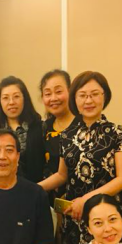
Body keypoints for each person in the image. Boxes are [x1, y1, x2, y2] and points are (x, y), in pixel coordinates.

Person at [39, 71, 122, 244]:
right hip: (75, 219)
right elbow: (61, 175)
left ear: (105, 96)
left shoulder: (118, 133)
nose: (88, 101)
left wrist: (87, 199)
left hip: (105, 220)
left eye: (95, 94)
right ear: (75, 99)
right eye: (82, 95)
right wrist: (34, 187)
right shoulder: (66, 136)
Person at [0, 76, 45, 182]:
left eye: (16, 96)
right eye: (5, 98)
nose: (11, 102)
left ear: (24, 99)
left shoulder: (40, 127)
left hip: (36, 188)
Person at [40, 69, 76, 204]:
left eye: (58, 91)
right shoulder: (44, 127)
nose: (53, 98)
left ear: (70, 91)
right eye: (48, 94)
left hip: (79, 201)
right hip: (50, 202)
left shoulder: (82, 124)